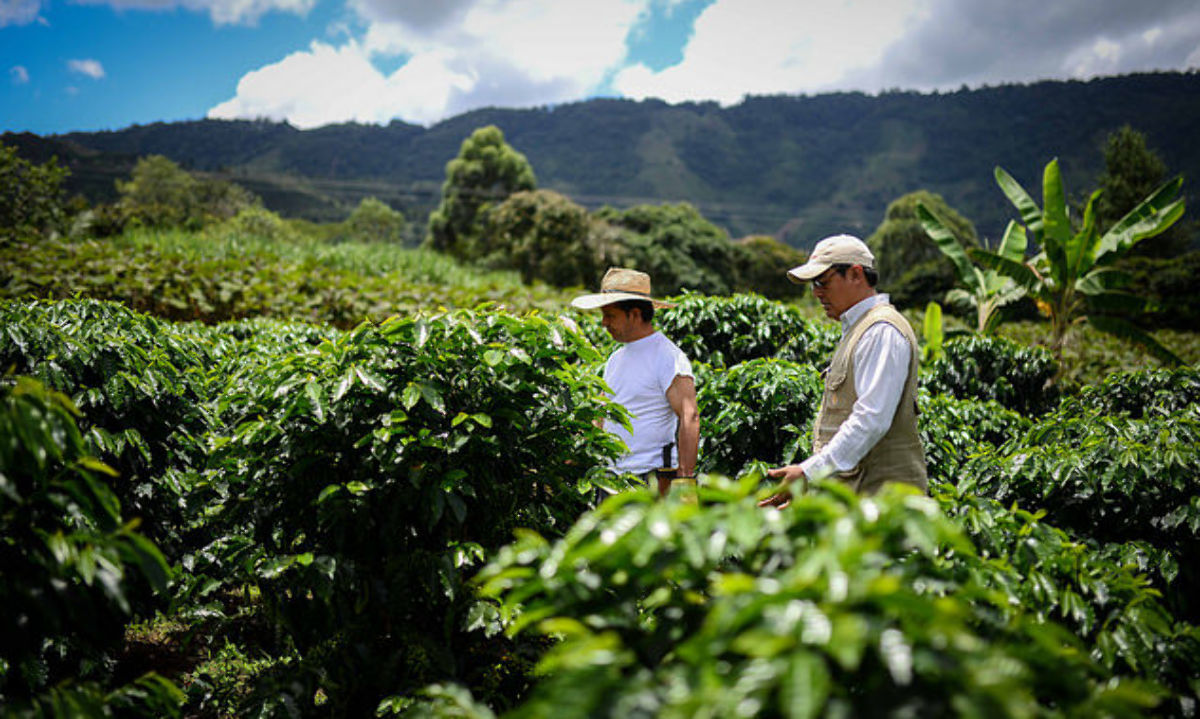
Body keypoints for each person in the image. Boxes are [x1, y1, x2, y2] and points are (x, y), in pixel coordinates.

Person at [760, 234, 927, 506]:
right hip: (857, 502)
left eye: (822, 282)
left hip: (883, 507)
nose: (816, 292)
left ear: (855, 274)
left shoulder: (881, 331)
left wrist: (808, 472)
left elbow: (871, 419)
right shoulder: (859, 329)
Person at [571, 267, 699, 497]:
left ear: (635, 314)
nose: (604, 322)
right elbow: (602, 412)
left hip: (648, 478)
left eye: (610, 315)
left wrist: (685, 479)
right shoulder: (615, 359)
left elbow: (689, 416)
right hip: (610, 477)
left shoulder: (668, 357)